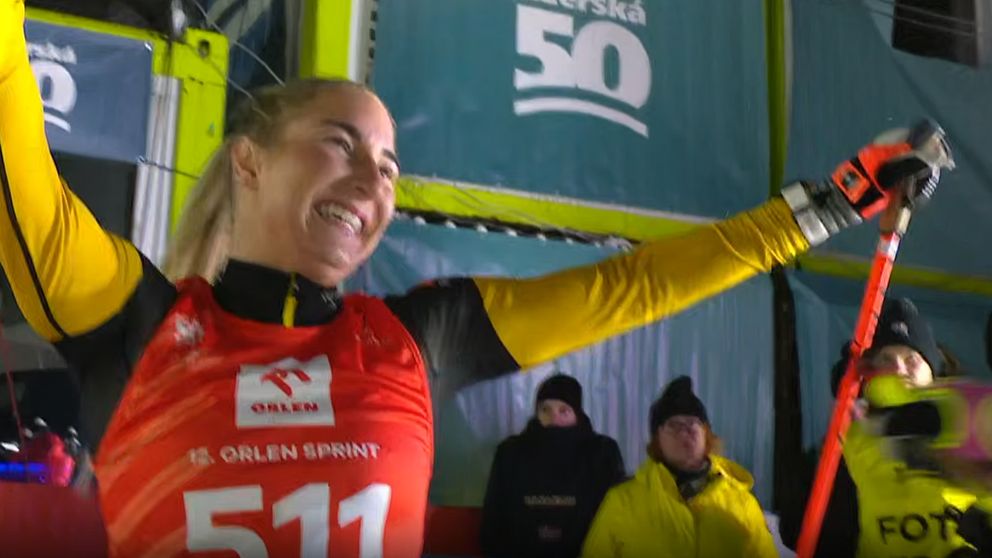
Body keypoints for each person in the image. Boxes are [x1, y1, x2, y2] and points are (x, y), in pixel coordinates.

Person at [0, 1, 951, 555]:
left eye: (388, 166)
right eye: (340, 144)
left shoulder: (414, 341)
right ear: (247, 161)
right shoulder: (135, 326)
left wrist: (829, 204)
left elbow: (633, 289)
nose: (373, 182)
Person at [780, 298, 984, 557]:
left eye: (912, 359)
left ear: (932, 371)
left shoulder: (965, 424)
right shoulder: (849, 442)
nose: (899, 369)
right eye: (886, 358)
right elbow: (799, 529)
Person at [581, 376, 777, 557]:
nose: (685, 432)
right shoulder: (622, 503)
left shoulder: (742, 503)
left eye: (693, 423)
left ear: (706, 435)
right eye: (673, 425)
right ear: (657, 440)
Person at [480, 374, 625, 558]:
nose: (553, 419)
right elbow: (494, 521)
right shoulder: (511, 454)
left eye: (563, 410)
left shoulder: (601, 454)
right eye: (545, 410)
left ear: (577, 414)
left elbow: (617, 519)